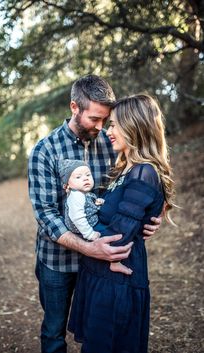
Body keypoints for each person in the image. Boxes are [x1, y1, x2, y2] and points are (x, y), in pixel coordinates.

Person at [28, 75, 162, 353]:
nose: (101, 127)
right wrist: (90, 247)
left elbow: (127, 192)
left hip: (102, 268)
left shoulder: (111, 144)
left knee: (95, 331)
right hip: (59, 261)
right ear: (74, 107)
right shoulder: (45, 150)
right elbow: (46, 214)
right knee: (54, 331)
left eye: (106, 120)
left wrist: (149, 218)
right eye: (94, 119)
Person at [68, 93, 175, 353]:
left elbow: (118, 236)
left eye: (115, 124)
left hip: (119, 280)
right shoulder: (127, 169)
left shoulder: (144, 172)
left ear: (135, 126)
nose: (108, 131)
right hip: (103, 272)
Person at [59, 158, 133, 274]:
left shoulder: (82, 193)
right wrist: (89, 234)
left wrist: (97, 202)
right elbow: (77, 218)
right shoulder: (76, 197)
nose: (85, 178)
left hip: (90, 223)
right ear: (67, 184)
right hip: (87, 227)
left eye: (88, 175)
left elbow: (88, 203)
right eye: (78, 177)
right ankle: (115, 263)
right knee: (111, 235)